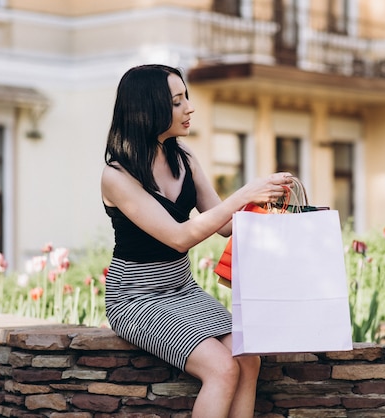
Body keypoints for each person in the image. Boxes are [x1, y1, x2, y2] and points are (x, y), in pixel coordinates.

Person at [101, 64, 292, 417]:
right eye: (177, 101)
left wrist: (264, 198)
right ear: (148, 108)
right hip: (136, 297)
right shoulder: (117, 175)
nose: (189, 107)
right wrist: (244, 192)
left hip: (182, 288)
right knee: (221, 368)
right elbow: (179, 237)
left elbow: (223, 224)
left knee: (248, 358)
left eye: (186, 97)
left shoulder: (183, 157)